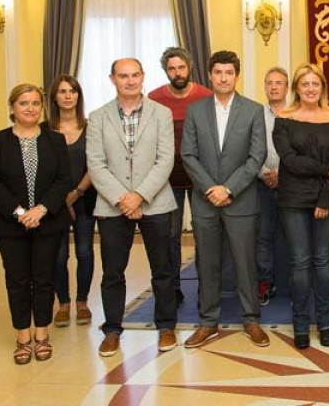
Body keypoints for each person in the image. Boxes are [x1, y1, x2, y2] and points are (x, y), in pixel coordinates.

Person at [87, 58, 178, 356]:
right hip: (113, 206)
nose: (129, 81)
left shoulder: (161, 114)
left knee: (163, 270)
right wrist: (123, 198)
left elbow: (165, 159)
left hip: (155, 202)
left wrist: (139, 195)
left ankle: (166, 327)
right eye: (123, 76)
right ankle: (112, 330)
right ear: (112, 79)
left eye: (134, 75)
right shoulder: (98, 117)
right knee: (113, 272)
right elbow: (96, 165)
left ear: (143, 77)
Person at [180, 51, 270, 349]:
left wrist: (229, 189)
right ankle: (208, 322)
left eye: (228, 72)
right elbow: (188, 155)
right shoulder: (195, 110)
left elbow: (256, 157)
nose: (223, 77)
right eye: (217, 72)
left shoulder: (253, 110)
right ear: (209, 75)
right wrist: (211, 189)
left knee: (246, 263)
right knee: (206, 264)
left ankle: (251, 319)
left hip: (241, 200)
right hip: (205, 201)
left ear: (236, 75)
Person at [0, 83, 72, 364]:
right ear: (12, 107)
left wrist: (42, 209)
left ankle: (42, 332)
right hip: (9, 225)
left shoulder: (55, 140)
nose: (30, 108)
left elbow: (64, 179)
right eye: (24, 103)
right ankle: (23, 334)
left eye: (35, 103)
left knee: (44, 279)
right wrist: (21, 212)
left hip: (49, 222)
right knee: (18, 280)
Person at [274, 63, 329, 349]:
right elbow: (290, 161)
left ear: (323, 87)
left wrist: (324, 197)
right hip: (293, 199)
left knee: (321, 264)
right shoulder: (284, 118)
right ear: (296, 89)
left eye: (314, 84)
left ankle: (326, 323)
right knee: (300, 264)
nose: (310, 89)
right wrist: (325, 171)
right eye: (304, 84)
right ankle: (301, 325)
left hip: (326, 200)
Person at [148, 47, 213, 307]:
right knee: (170, 236)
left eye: (181, 67)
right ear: (166, 71)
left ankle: (205, 290)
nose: (177, 73)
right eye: (172, 68)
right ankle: (173, 289)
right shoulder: (154, 98)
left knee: (203, 235)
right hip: (167, 180)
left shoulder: (205, 96)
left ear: (190, 68)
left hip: (200, 178)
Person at [48, 75, 97, 328]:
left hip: (84, 198)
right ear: (54, 97)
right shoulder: (44, 129)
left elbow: (96, 165)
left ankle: (82, 302)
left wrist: (75, 194)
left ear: (78, 96)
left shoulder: (91, 127)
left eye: (73, 91)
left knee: (85, 251)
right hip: (53, 204)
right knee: (58, 256)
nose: (68, 96)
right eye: (63, 91)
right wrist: (60, 200)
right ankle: (64, 303)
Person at [257, 67, 288, 306]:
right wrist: (264, 173)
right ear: (265, 87)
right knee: (263, 236)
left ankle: (292, 285)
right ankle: (266, 283)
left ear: (287, 88)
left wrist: (283, 175)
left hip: (292, 185)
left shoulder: (297, 113)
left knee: (293, 236)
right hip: (262, 184)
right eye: (270, 82)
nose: (274, 87)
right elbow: (247, 149)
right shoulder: (254, 115)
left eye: (279, 83)